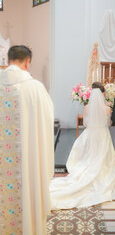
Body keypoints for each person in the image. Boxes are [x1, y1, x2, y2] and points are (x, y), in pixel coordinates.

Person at [0, 45, 54, 235]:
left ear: (8, 61)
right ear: (28, 62)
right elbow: (47, 124)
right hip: (28, 166)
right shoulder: (36, 88)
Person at [50, 82, 115, 210]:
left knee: (89, 156)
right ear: (103, 94)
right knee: (102, 157)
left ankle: (87, 170)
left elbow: (86, 122)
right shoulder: (107, 108)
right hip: (103, 134)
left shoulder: (87, 107)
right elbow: (109, 123)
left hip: (90, 133)